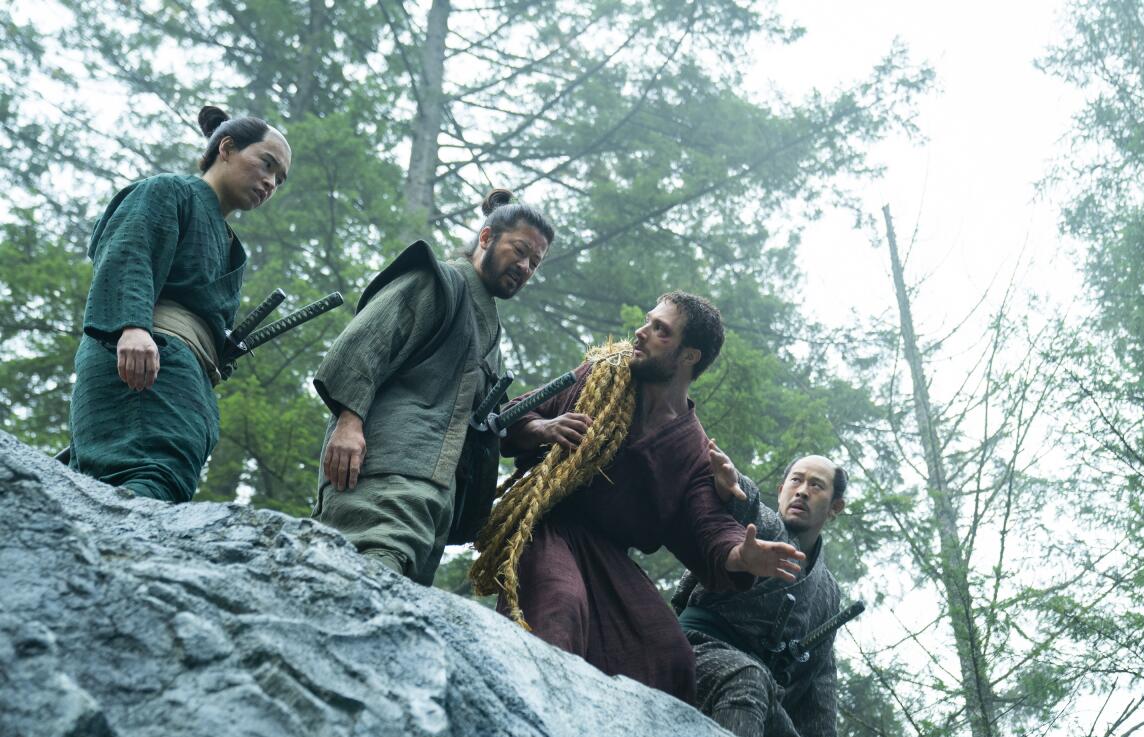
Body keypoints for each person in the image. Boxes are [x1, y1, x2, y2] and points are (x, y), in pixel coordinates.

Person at [470, 292, 804, 703]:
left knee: (669, 657)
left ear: (689, 356)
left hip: (609, 558)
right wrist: (543, 428)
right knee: (558, 606)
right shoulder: (600, 376)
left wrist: (741, 557)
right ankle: (522, 718)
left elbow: (709, 527)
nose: (641, 334)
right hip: (549, 527)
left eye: (660, 331)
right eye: (648, 322)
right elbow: (515, 415)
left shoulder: (696, 451)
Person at [312, 190, 554, 586]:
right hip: (384, 468)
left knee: (400, 597)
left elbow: (486, 418)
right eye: (520, 250)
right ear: (487, 237)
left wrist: (536, 429)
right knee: (367, 576)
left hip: (437, 493)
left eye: (535, 262)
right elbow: (364, 344)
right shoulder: (438, 281)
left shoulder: (490, 326)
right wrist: (348, 423)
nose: (525, 266)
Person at [68, 105, 292, 502]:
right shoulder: (168, 190)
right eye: (266, 163)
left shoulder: (230, 245)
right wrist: (133, 326)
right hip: (143, 355)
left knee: (161, 479)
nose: (271, 182)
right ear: (226, 148)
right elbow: (130, 252)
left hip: (182, 375)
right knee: (146, 477)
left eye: (279, 178)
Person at [672, 447, 847, 737]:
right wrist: (731, 482)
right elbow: (746, 502)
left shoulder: (829, 592)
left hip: (764, 691)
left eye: (816, 485)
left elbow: (821, 675)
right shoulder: (761, 527)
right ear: (781, 490)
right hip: (696, 651)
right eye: (795, 480)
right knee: (748, 679)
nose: (802, 491)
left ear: (835, 507)